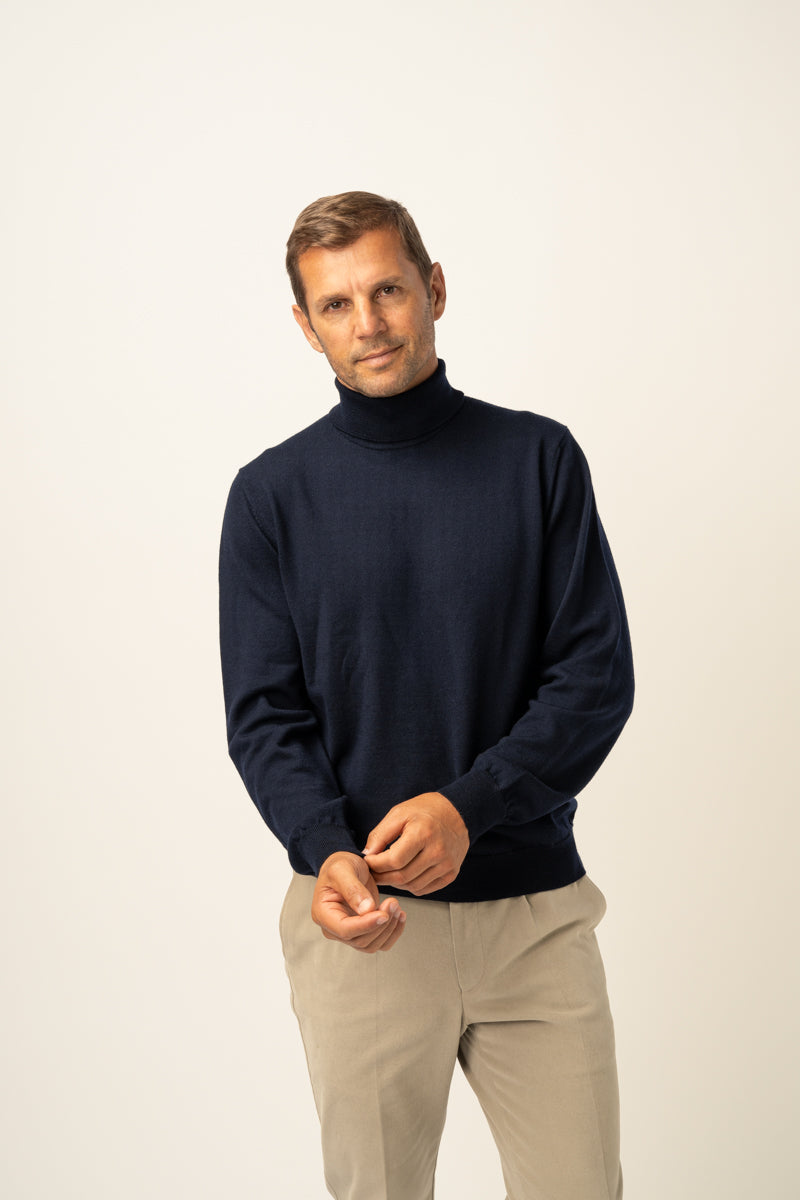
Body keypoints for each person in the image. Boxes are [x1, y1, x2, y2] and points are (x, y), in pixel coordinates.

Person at [219, 191, 634, 1200]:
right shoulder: (271, 497)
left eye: (388, 290)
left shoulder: (537, 459)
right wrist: (324, 846)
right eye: (336, 304)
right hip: (363, 919)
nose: (367, 322)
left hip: (532, 917)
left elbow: (593, 679)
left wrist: (468, 807)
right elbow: (265, 717)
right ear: (305, 325)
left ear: (434, 288)